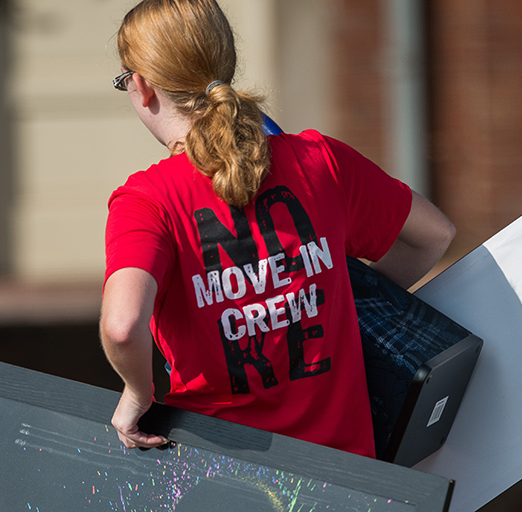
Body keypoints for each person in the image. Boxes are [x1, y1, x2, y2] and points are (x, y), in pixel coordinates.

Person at [101, 0, 455, 458]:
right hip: (350, 478)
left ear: (143, 86)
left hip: (225, 476)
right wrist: (338, 301)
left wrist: (137, 393)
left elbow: (124, 325)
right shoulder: (318, 159)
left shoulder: (147, 201)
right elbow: (434, 235)